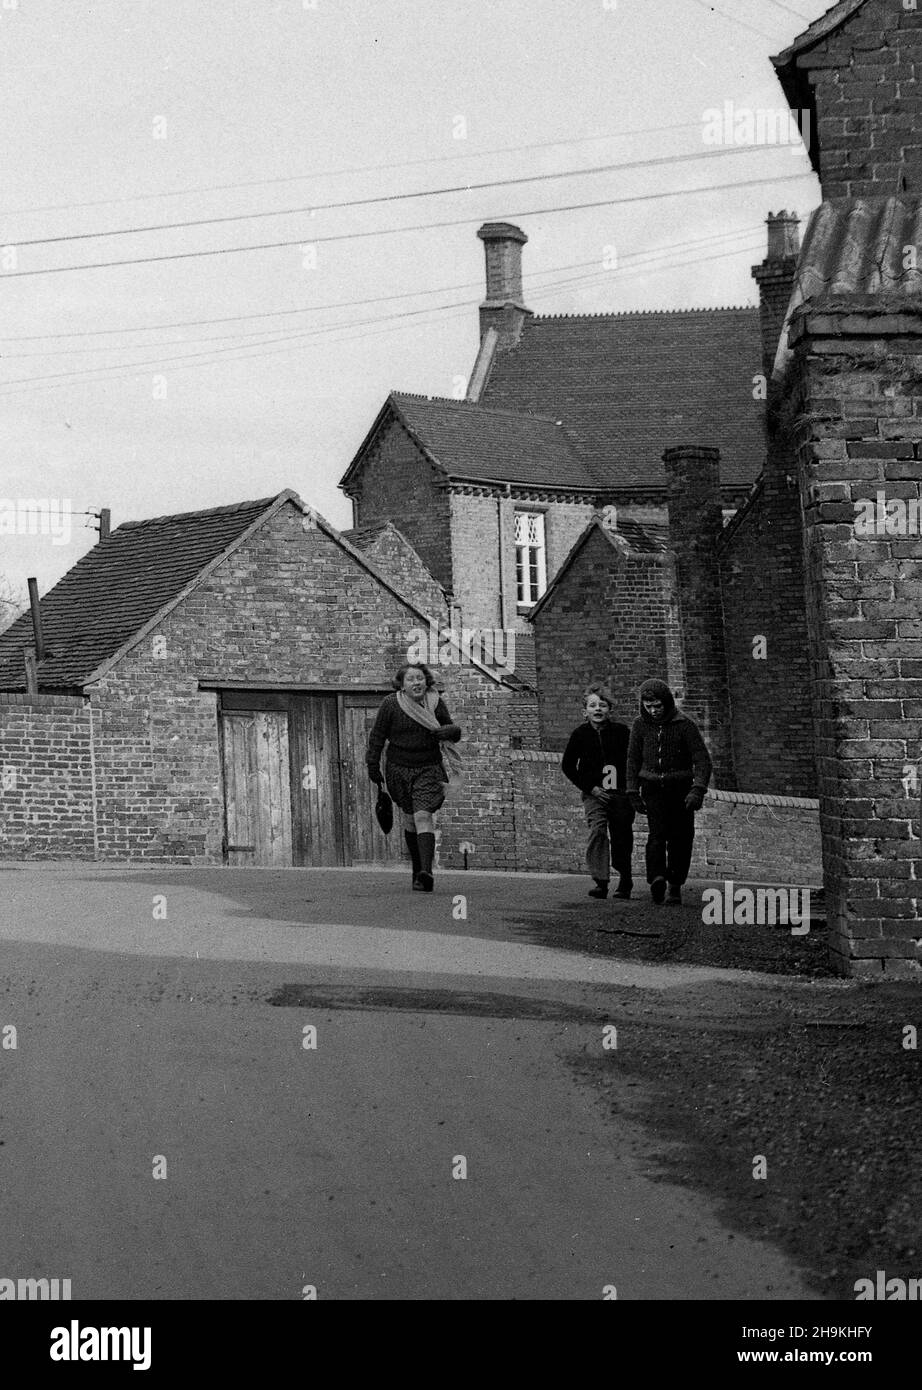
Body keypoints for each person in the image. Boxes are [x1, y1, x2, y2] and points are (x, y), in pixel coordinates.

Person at [366, 662, 462, 892]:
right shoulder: (391, 704)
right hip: (399, 769)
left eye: (420, 678)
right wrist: (372, 764)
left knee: (422, 815)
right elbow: (378, 736)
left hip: (428, 768)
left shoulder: (436, 702)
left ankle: (426, 872)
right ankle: (417, 870)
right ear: (401, 684)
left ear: (426, 681)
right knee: (410, 819)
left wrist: (451, 731)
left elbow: (452, 732)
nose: (416, 683)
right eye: (411, 679)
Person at [626, 678, 712, 906]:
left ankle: (675, 884)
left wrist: (697, 790)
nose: (653, 711)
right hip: (652, 789)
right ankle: (657, 878)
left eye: (657, 706)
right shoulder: (640, 726)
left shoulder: (685, 725)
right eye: (648, 706)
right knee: (656, 836)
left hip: (680, 790)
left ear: (666, 702)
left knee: (681, 838)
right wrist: (633, 791)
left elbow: (702, 760)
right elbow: (633, 760)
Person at [561, 684, 634, 900]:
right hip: (594, 795)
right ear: (585, 712)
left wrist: (630, 788)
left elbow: (632, 760)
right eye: (593, 706)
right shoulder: (580, 734)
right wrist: (591, 788)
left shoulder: (622, 732)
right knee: (598, 830)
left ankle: (625, 877)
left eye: (603, 705)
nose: (598, 709)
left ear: (610, 710)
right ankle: (601, 881)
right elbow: (568, 766)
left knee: (622, 835)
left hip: (620, 793)